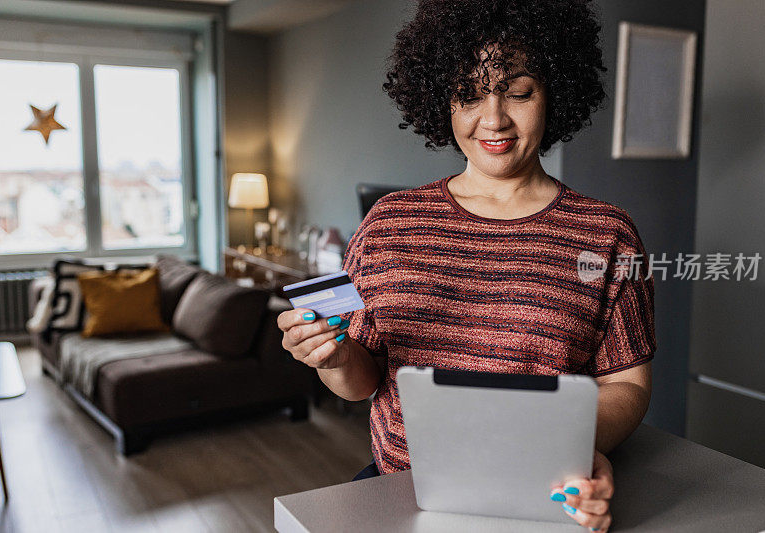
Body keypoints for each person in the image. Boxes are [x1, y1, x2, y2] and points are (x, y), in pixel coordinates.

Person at [277, 1, 656, 531]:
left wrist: (568, 449)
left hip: (541, 493)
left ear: (554, 93)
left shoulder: (607, 234)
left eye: (519, 93)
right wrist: (333, 356)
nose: (494, 119)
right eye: (469, 94)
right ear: (442, 101)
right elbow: (364, 380)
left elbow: (628, 385)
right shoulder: (389, 223)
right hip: (401, 493)